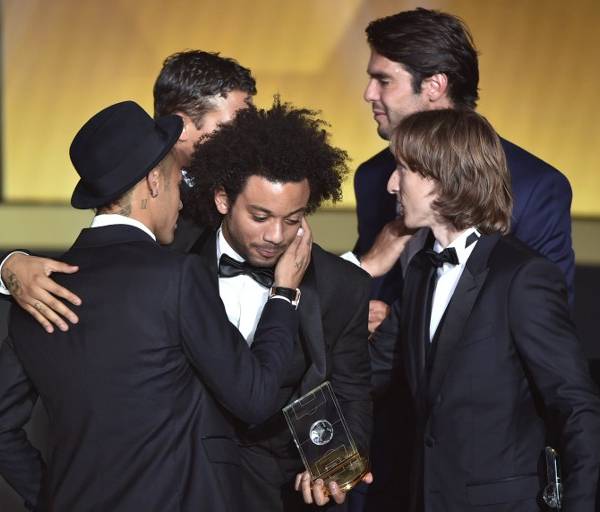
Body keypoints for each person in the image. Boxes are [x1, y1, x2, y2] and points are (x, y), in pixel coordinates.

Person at [0, 101, 312, 511]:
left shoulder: (33, 291)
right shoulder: (177, 277)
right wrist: (284, 295)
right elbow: (255, 398)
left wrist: (51, 497)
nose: (181, 202)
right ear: (152, 181)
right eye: (177, 183)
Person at [372, 108, 600, 511]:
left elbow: (575, 407)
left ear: (440, 180)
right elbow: (368, 370)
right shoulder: (422, 271)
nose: (392, 184)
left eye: (402, 169)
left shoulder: (523, 277)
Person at [182, 98, 373, 510]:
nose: (275, 236)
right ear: (222, 199)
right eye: (260, 216)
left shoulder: (343, 286)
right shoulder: (174, 265)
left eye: (292, 220)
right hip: (187, 480)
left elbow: (352, 392)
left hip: (284, 490)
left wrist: (335, 467)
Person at [0, 50, 256, 331]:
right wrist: (9, 266)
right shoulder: (140, 206)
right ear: (182, 126)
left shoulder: (261, 186)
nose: (247, 136)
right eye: (235, 124)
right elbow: (94, 269)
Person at [353, 8, 574, 314]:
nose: (369, 94)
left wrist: (409, 330)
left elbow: (545, 317)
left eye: (384, 80)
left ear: (434, 86)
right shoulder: (373, 176)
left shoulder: (533, 187)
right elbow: (373, 288)